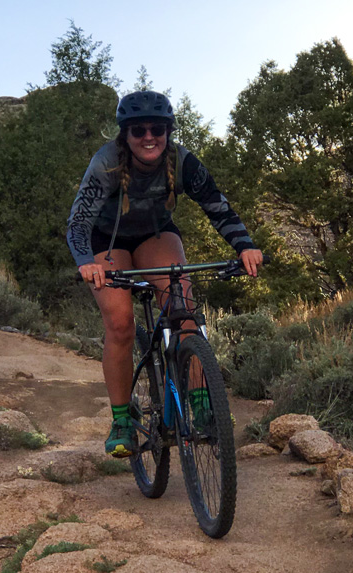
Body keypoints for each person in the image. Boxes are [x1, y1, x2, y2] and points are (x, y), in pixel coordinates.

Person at [66, 90, 264, 457]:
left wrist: (245, 246)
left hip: (154, 235)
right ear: (125, 134)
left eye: (156, 128)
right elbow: (78, 221)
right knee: (121, 322)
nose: (148, 137)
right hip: (108, 242)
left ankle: (206, 408)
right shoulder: (106, 163)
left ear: (168, 130)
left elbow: (217, 206)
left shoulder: (182, 161)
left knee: (183, 308)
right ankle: (122, 420)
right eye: (138, 130)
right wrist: (84, 261)